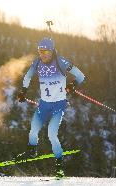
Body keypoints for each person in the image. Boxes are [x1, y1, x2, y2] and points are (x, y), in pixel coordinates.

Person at [17, 37, 85, 178]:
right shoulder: (37, 63)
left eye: (45, 52)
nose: (42, 55)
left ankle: (59, 167)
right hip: (44, 104)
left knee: (51, 134)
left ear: (52, 50)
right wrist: (23, 91)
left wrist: (73, 85)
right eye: (39, 51)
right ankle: (31, 151)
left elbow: (80, 76)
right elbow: (27, 77)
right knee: (33, 129)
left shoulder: (61, 62)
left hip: (58, 105)